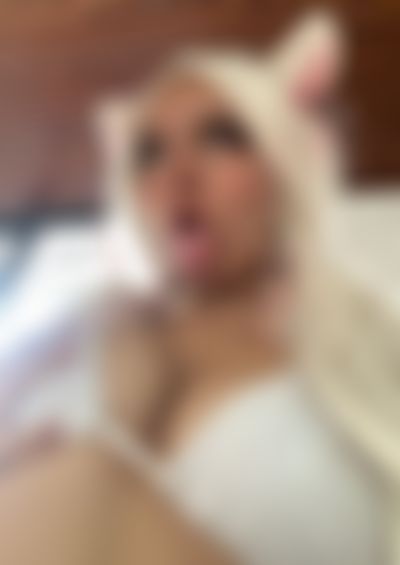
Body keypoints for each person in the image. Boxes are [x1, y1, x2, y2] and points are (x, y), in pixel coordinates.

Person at [1, 10, 398, 565]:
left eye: (222, 136)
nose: (177, 172)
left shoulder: (365, 343)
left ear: (284, 165)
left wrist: (115, 438)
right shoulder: (64, 336)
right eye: (148, 152)